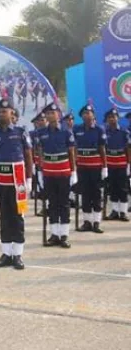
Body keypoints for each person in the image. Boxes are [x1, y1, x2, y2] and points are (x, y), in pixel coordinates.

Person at [0, 98, 33, 270]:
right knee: (4, 216)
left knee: (18, 216)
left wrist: (29, 179)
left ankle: (18, 254)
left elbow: (29, 156)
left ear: (12, 114)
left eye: (4, 112)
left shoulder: (21, 132)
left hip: (19, 180)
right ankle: (6, 253)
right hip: (1, 180)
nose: (1, 114)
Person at [37, 102, 76, 246]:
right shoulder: (42, 132)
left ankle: (64, 235)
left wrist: (73, 172)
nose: (50, 116)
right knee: (52, 203)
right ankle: (54, 234)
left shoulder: (66, 131)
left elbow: (71, 152)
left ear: (58, 115)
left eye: (52, 113)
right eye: (47, 114)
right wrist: (41, 171)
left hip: (64, 172)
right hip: (49, 173)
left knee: (64, 203)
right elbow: (40, 152)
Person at [72, 104, 107, 233]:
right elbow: (74, 148)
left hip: (96, 166)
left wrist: (104, 167)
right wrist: (74, 166)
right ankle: (87, 222)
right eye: (84, 113)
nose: (87, 115)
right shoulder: (77, 129)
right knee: (85, 193)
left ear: (93, 115)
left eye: (89, 113)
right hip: (82, 166)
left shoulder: (99, 129)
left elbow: (102, 149)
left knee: (96, 193)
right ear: (81, 116)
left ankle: (96, 222)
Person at [104, 108, 130, 221]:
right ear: (107, 120)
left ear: (117, 118)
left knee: (122, 188)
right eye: (109, 117)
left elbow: (128, 149)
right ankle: (115, 211)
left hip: (122, 164)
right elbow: (103, 148)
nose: (112, 119)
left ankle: (123, 212)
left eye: (114, 117)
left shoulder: (125, 132)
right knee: (113, 188)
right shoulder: (105, 132)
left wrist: (129, 163)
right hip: (110, 164)